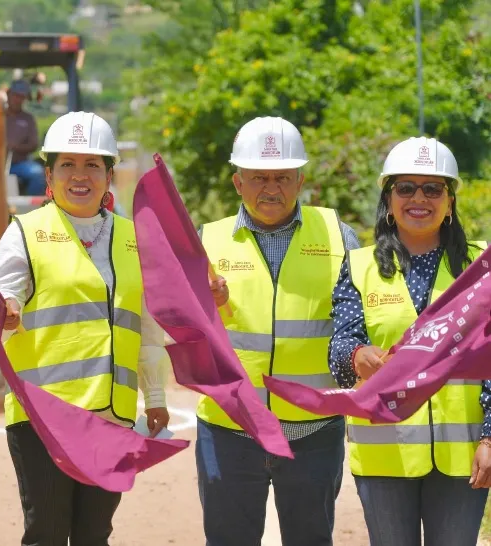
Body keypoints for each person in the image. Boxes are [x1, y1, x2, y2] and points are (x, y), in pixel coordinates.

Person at [0, 111, 170, 546]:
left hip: (112, 418)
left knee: (94, 535)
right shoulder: (24, 233)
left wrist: (155, 395)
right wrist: (6, 313)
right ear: (49, 174)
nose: (80, 175)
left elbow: (146, 327)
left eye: (92, 165)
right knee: (46, 533)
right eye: (67, 164)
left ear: (109, 175)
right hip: (43, 419)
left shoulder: (133, 238)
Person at [198, 116, 361, 546]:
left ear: (300, 180)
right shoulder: (206, 242)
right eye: (258, 177)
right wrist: (202, 303)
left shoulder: (340, 237)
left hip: (313, 431)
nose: (271, 188)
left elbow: (357, 323)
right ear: (238, 182)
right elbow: (179, 326)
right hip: (230, 430)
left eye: (282, 177)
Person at [329, 137, 491, 546]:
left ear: (450, 202)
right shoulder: (360, 266)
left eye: (433, 188)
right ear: (388, 199)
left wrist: (490, 438)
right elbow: (339, 347)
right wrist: (357, 355)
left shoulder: (480, 267)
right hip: (385, 454)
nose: (419, 198)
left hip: (461, 456)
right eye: (406, 188)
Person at [6, 79, 45, 196]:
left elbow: (34, 144)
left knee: (37, 173)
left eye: (21, 97)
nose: (17, 100)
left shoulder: (28, 119)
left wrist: (16, 147)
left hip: (19, 164)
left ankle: (29, 203)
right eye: (15, 95)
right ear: (8, 94)